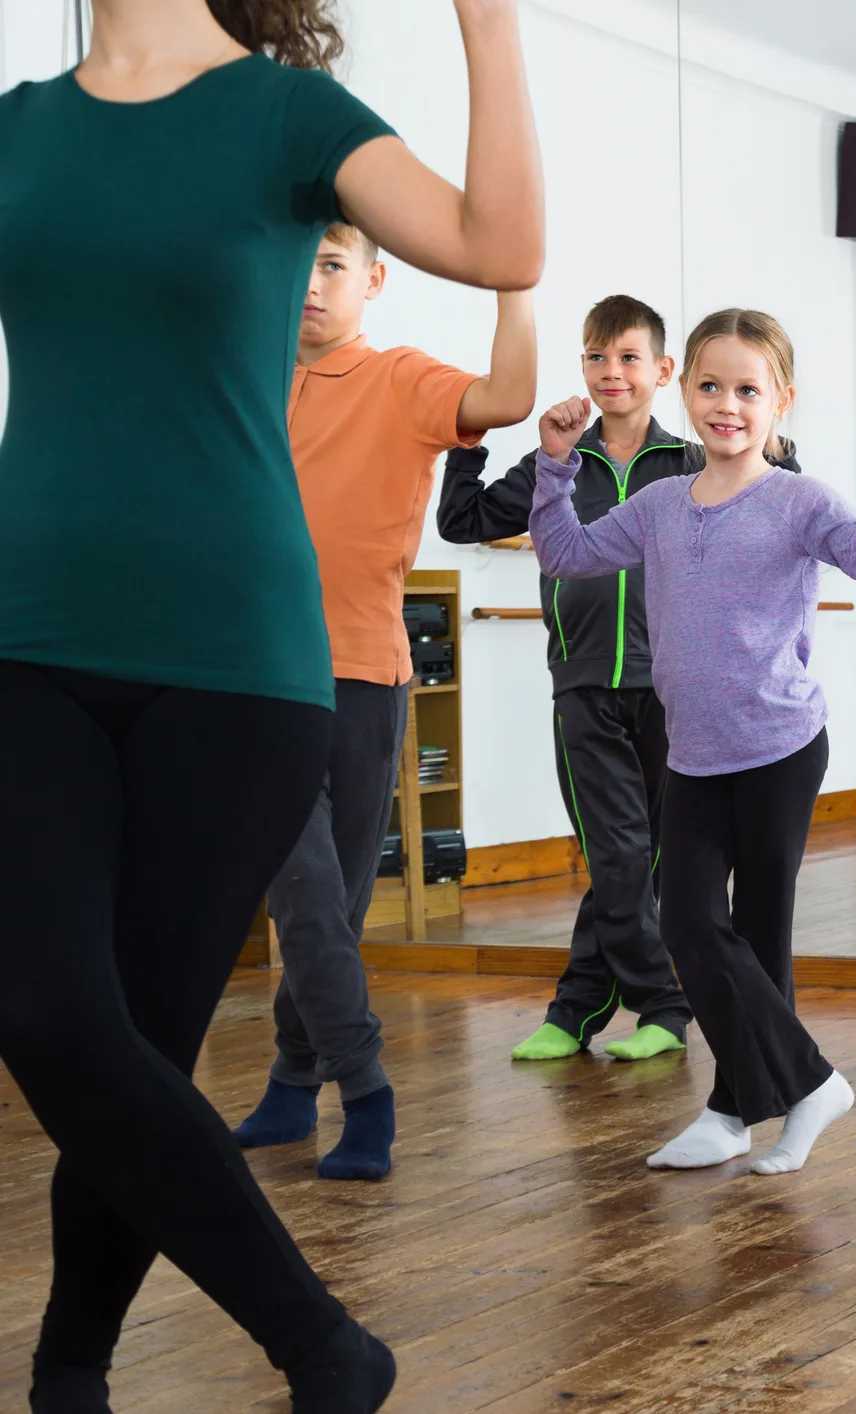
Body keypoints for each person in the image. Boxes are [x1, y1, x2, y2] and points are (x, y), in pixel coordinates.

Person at [0, 0, 541, 1403]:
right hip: (26, 635)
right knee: (54, 1021)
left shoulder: (286, 116)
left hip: (233, 662)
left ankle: (69, 1374)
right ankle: (323, 1346)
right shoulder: (19, 128)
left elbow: (502, 247)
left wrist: (491, 24)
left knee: (145, 1052)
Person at [529, 308, 856, 1176]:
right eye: (710, 386)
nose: (727, 405)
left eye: (748, 389)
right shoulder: (661, 503)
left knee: (758, 935)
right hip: (694, 752)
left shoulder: (800, 502)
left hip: (780, 747)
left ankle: (744, 1107)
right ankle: (797, 1086)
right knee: (691, 926)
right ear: (685, 389)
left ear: (781, 399)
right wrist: (554, 463)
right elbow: (562, 554)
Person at [231, 228, 536, 1181]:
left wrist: (512, 289)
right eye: (291, 263)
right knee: (308, 894)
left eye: (328, 264)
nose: (309, 284)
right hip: (250, 680)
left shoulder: (402, 381)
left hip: (365, 674)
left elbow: (508, 399)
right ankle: (367, 1092)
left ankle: (290, 1082)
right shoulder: (236, 376)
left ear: (374, 278)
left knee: (338, 901)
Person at [437, 294, 716, 1064]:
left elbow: (771, 486)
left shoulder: (692, 463)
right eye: (596, 356)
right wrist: (473, 435)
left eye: (628, 357)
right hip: (584, 685)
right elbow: (462, 522)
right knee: (617, 855)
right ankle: (664, 1005)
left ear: (662, 371)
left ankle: (575, 1007)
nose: (610, 372)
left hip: (673, 689)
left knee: (641, 856)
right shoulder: (553, 461)